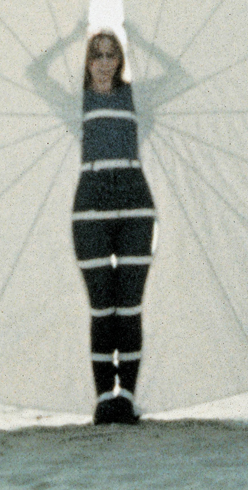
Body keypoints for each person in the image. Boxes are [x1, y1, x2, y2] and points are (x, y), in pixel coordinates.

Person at [71, 30, 155, 425]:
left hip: (136, 203)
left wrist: (139, 38)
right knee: (102, 307)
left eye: (112, 55)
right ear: (87, 61)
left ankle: (129, 398)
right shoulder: (77, 101)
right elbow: (33, 75)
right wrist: (72, 37)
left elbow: (181, 79)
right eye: (97, 55)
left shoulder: (134, 97)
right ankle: (105, 397)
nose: (105, 62)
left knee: (130, 307)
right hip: (90, 207)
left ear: (120, 60)